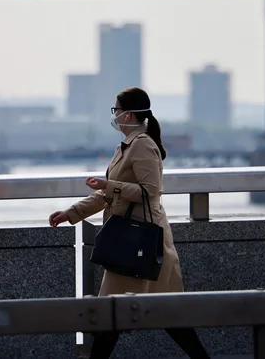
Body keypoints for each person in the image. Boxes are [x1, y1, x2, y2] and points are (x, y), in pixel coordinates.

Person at [49, 87, 210, 359]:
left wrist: (109, 184)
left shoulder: (143, 145)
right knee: (158, 313)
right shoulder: (128, 146)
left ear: (129, 114)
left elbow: (150, 191)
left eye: (116, 110)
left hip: (138, 241)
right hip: (134, 240)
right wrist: (72, 212)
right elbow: (108, 193)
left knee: (114, 313)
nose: (114, 116)